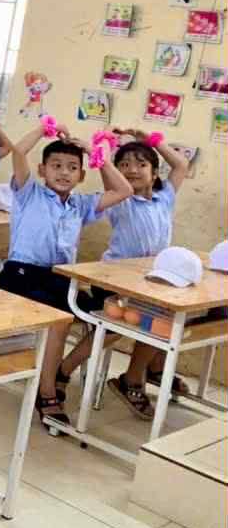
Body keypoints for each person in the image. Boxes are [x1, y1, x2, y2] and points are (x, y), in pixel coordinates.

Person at [0, 120, 132, 428]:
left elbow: (123, 190)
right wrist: (44, 129)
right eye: (56, 165)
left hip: (60, 279)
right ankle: (46, 395)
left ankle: (62, 371)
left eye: (72, 167)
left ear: (81, 175)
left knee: (115, 320)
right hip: (20, 276)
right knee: (59, 321)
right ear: (42, 170)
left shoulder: (80, 205)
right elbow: (18, 151)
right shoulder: (29, 192)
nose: (63, 172)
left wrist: (95, 155)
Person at [102, 128, 190, 417]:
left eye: (141, 164)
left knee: (174, 306)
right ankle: (131, 378)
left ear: (154, 174)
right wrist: (104, 144)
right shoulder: (120, 199)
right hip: (116, 280)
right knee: (158, 316)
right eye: (124, 165)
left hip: (151, 280)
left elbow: (181, 165)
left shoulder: (164, 198)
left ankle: (155, 368)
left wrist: (152, 140)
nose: (131, 170)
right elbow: (107, 171)